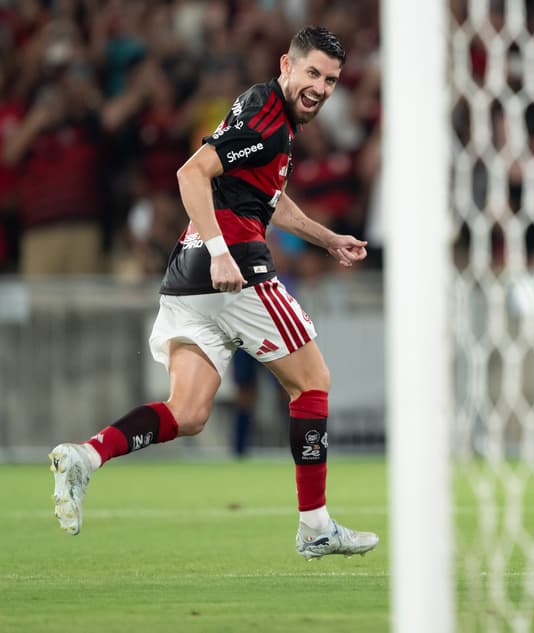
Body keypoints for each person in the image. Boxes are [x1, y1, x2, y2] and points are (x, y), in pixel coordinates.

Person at [48, 26, 378, 560]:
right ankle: (316, 526)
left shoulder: (263, 107)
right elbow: (190, 172)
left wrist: (327, 239)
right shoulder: (269, 125)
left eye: (332, 80)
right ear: (287, 65)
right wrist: (224, 251)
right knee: (313, 382)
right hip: (232, 265)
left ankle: (86, 457)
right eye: (313, 72)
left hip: (188, 271)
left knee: (190, 411)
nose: (320, 87)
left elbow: (269, 198)